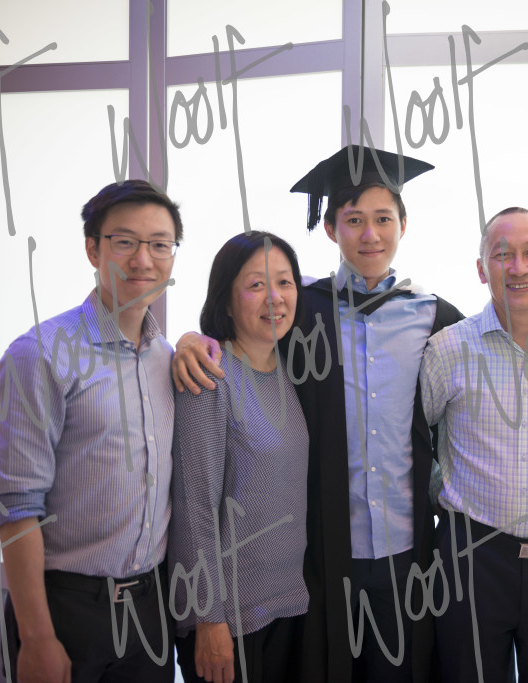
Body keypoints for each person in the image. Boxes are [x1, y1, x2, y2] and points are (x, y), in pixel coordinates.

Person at [174, 145, 465, 683]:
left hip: (407, 554)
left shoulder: (437, 319)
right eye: (354, 220)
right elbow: (238, 334)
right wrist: (191, 340)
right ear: (331, 229)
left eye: (383, 219)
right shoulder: (300, 308)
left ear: (403, 225)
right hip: (319, 558)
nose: (370, 234)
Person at [0, 179, 181, 683]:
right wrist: (36, 638)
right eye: (125, 242)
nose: (144, 259)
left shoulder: (165, 357)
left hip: (149, 609)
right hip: (67, 609)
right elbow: (16, 505)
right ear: (93, 249)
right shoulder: (38, 355)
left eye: (160, 244)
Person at [419, 207, 528, 683]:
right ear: (482, 269)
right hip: (471, 562)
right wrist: (443, 491)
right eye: (502, 255)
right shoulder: (448, 350)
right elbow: (413, 444)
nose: (518, 267)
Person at [169, 231, 309, 683]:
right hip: (228, 619)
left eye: (285, 282)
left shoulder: (289, 371)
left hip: (288, 604)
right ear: (226, 302)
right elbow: (194, 507)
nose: (275, 297)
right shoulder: (210, 376)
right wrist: (208, 618)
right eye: (255, 285)